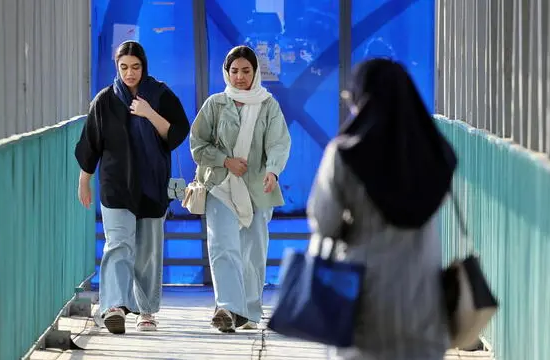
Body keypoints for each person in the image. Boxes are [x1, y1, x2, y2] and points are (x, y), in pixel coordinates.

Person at [308, 58, 453, 359]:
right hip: (424, 299)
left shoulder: (344, 154)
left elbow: (325, 223)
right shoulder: (435, 152)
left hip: (362, 296)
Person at [75, 41, 190, 334]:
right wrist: (84, 179)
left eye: (135, 67)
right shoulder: (104, 100)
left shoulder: (160, 94)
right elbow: (91, 142)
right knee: (118, 245)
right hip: (116, 184)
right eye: (124, 67)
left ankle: (146, 310)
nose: (130, 73)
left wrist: (149, 113)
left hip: (152, 183)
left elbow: (177, 133)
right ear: (117, 67)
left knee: (148, 251)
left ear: (144, 66)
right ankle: (114, 305)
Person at [189, 45, 291, 333]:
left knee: (253, 252)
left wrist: (272, 171)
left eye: (246, 71)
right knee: (222, 247)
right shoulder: (215, 104)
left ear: (256, 72)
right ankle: (227, 308)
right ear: (226, 72)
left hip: (257, 187)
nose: (240, 77)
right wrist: (225, 161)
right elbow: (198, 144)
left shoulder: (268, 105)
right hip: (220, 185)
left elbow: (278, 142)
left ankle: (247, 311)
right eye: (234, 71)